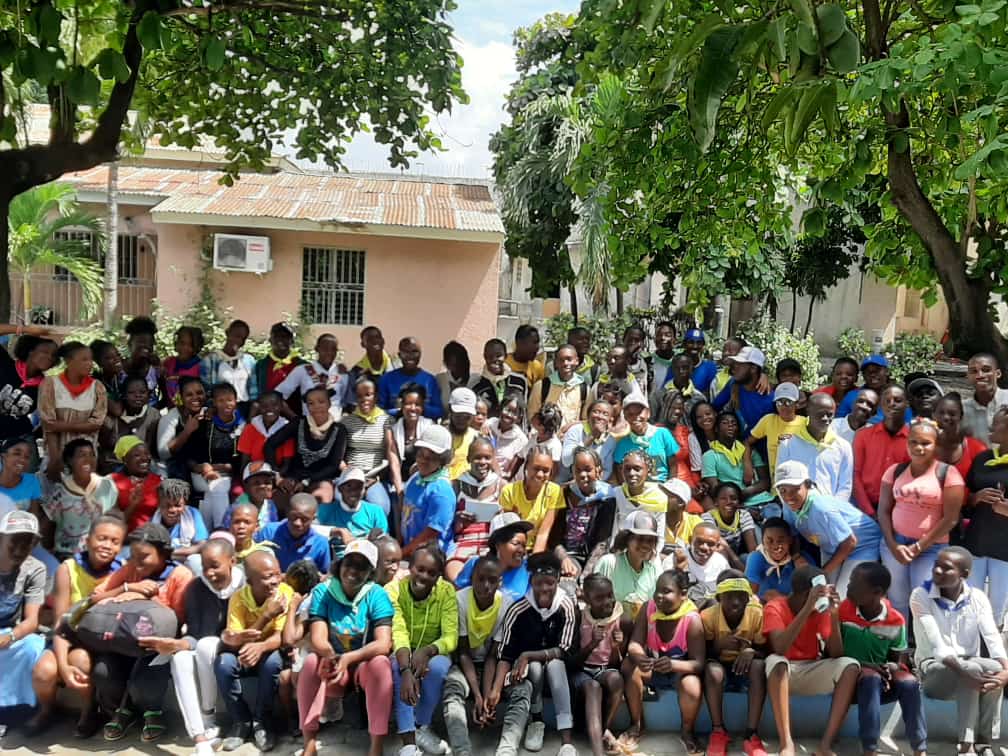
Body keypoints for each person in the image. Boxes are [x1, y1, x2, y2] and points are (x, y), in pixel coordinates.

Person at [92, 522, 195, 741]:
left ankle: (151, 711)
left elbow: (178, 621)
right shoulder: (131, 569)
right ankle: (122, 710)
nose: (137, 563)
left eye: (144, 557)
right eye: (133, 556)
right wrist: (127, 588)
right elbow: (96, 597)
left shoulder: (180, 575)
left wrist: (146, 600)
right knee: (103, 671)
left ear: (163, 553)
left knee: (146, 677)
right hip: (122, 639)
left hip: (157, 644)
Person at [27, 515, 126, 735]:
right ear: (88, 541)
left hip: (100, 641)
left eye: (114, 541)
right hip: (67, 637)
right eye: (102, 538)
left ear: (121, 547)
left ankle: (89, 710)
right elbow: (60, 622)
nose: (107, 545)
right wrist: (62, 665)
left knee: (80, 660)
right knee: (44, 671)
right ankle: (48, 709)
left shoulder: (122, 571)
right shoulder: (68, 569)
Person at [299, 538, 395, 756]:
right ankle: (309, 741)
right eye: (348, 563)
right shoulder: (323, 591)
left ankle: (376, 745)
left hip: (363, 664)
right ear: (339, 565)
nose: (353, 571)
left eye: (361, 567)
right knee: (311, 661)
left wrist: (349, 658)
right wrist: (331, 657)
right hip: (333, 662)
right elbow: (318, 636)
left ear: (370, 572)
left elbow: (383, 643)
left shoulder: (376, 594)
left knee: (381, 664)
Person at [911, 547, 1008, 754]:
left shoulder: (978, 597)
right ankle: (966, 745)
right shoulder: (920, 595)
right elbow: (937, 645)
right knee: (970, 668)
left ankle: (983, 741)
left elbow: (992, 637)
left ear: (964, 574)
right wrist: (964, 671)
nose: (937, 571)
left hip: (969, 665)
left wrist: (1006, 671)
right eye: (936, 565)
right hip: (933, 669)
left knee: (995, 668)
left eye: (946, 568)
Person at [764, 565, 860, 756]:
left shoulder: (821, 611)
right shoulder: (775, 607)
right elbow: (780, 648)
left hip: (810, 669)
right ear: (806, 594)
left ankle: (825, 745)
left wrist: (834, 615)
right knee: (777, 662)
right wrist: (807, 608)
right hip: (783, 673)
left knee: (850, 665)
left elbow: (836, 654)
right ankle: (786, 744)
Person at [491, 551, 579, 756]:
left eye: (550, 583)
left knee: (555, 664)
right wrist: (496, 689)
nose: (544, 588)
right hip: (528, 674)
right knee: (535, 667)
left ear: (558, 580)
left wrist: (529, 654)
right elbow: (505, 655)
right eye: (538, 583)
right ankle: (536, 721)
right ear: (531, 582)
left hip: (560, 672)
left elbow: (565, 649)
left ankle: (566, 741)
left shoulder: (566, 606)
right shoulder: (518, 610)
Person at [877, 418, 965, 620]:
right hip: (895, 544)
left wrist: (919, 546)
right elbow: (883, 510)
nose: (918, 447)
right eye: (913, 442)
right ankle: (901, 638)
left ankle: (923, 639)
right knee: (897, 599)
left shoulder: (948, 474)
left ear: (936, 445)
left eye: (926, 443)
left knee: (923, 600)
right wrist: (893, 545)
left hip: (931, 548)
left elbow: (950, 519)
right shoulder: (895, 471)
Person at [840, 562, 926, 756]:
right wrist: (866, 665)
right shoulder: (843, 611)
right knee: (870, 677)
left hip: (880, 683)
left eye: (855, 583)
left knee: (909, 682)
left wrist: (890, 667)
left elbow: (899, 660)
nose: (848, 586)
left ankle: (920, 748)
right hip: (847, 681)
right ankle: (870, 749)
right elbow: (832, 653)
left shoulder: (895, 620)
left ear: (877, 592)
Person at [215, 549, 291, 751]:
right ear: (250, 582)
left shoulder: (284, 593)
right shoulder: (239, 598)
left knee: (273, 662)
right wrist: (266, 616)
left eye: (277, 574)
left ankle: (262, 721)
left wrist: (261, 646)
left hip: (269, 651)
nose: (275, 581)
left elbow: (280, 637)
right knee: (223, 663)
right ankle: (240, 721)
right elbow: (236, 639)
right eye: (268, 577)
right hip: (244, 653)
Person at [621, 569, 705, 753]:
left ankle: (687, 731)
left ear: (683, 594)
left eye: (666, 591)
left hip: (680, 672)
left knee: (692, 686)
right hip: (653, 667)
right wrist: (640, 657)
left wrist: (673, 665)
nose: (659, 596)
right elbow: (634, 643)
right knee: (630, 666)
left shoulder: (692, 619)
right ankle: (636, 724)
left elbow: (698, 663)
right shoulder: (648, 608)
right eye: (657, 590)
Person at [387, 543, 458, 756]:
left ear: (438, 576)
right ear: (410, 568)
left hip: (432, 650)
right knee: (398, 669)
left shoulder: (446, 592)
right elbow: (398, 630)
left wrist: (427, 651)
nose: (424, 576)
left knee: (438, 668)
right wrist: (406, 669)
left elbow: (451, 637)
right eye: (420, 569)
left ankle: (421, 726)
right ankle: (408, 742)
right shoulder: (394, 590)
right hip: (402, 649)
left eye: (431, 573)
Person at [776, 459, 882, 596]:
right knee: (823, 593)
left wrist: (822, 572)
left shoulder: (821, 508)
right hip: (831, 547)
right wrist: (796, 556)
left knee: (841, 595)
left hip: (862, 546)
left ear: (807, 485)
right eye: (783, 490)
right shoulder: (788, 506)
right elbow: (793, 534)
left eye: (795, 489)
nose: (788, 496)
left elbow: (850, 542)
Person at [442, 555, 508, 756]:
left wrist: (487, 696)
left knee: (524, 689)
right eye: (480, 578)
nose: (486, 585)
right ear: (472, 578)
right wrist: (477, 696)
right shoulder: (460, 600)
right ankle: (462, 750)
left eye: (492, 580)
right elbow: (462, 652)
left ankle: (507, 749)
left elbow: (492, 657)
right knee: (452, 690)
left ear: (500, 582)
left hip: (491, 664)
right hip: (464, 663)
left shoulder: (506, 604)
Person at [701, 571, 769, 756]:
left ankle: (751, 734)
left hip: (745, 668)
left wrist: (751, 651)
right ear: (719, 598)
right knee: (712, 671)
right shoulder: (708, 616)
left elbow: (766, 650)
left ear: (748, 598)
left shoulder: (756, 614)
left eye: (741, 596)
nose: (736, 602)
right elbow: (701, 654)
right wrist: (718, 646)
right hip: (720, 667)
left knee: (759, 666)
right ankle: (718, 731)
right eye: (729, 596)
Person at [570, 574, 627, 756]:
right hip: (582, 671)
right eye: (599, 598)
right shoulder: (579, 618)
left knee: (616, 679)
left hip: (604, 670)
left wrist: (616, 646)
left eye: (610, 595)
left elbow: (615, 664)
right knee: (593, 687)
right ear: (587, 599)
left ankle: (603, 730)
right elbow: (572, 662)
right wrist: (592, 644)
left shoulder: (620, 619)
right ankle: (598, 752)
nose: (607, 602)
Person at [179, 382, 245, 531]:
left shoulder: (242, 424)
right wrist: (203, 468)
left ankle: (204, 532)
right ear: (214, 403)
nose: (226, 404)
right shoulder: (205, 424)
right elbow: (188, 456)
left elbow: (241, 458)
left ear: (236, 401)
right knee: (218, 487)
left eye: (230, 400)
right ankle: (222, 530)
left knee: (213, 492)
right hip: (200, 472)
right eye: (221, 400)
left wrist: (224, 467)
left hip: (229, 473)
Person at [266, 386, 348, 505]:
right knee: (279, 502)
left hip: (321, 479)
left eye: (321, 402)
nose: (316, 406)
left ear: (329, 404)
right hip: (294, 477)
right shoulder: (299, 423)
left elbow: (333, 465)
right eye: (311, 403)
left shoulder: (339, 430)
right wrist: (277, 476)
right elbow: (270, 445)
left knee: (320, 500)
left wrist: (306, 482)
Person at [0, 510, 46, 718]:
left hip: (9, 632)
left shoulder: (35, 569)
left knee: (31, 645)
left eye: (26, 543)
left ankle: (11, 708)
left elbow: (32, 621)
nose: (19, 549)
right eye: (14, 541)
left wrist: (10, 637)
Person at [964, 407, 1008, 624]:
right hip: (977, 543)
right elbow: (966, 496)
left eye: (997, 423)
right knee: (970, 603)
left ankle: (992, 644)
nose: (991, 426)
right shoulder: (982, 459)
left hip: (1005, 551)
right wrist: (976, 497)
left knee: (997, 608)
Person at [39, 341, 107, 480]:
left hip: (86, 457)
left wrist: (60, 425)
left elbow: (96, 423)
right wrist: (55, 458)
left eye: (91, 359)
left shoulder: (97, 387)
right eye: (84, 359)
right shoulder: (50, 384)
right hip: (56, 453)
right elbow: (48, 425)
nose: (90, 364)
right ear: (68, 361)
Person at [40, 438, 118, 559]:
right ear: (70, 460)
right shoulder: (60, 491)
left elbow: (115, 520)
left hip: (99, 551)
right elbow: (47, 525)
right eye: (82, 455)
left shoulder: (107, 486)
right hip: (67, 553)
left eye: (92, 455)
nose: (88, 459)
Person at [777, 393, 854, 500]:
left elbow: (845, 486)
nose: (825, 418)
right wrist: (797, 507)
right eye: (820, 414)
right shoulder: (788, 444)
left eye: (830, 414)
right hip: (795, 508)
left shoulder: (843, 447)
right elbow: (780, 481)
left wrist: (833, 508)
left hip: (830, 509)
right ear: (808, 411)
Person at [446, 437, 504, 581]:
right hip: (462, 542)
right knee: (455, 578)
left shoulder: (501, 486)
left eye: (487, 458)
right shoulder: (456, 485)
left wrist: (500, 517)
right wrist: (457, 519)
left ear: (493, 459)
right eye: (477, 457)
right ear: (468, 459)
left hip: (490, 544)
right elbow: (445, 522)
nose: (482, 462)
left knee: (488, 578)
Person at [340, 378, 401, 513]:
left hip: (373, 477)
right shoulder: (346, 422)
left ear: (376, 396)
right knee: (342, 503)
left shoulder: (386, 420)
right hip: (350, 476)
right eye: (359, 396)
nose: (364, 399)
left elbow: (391, 453)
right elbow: (339, 455)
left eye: (368, 395)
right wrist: (347, 471)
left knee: (381, 507)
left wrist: (398, 486)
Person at [0, 436, 56, 580]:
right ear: (3, 456)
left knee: (55, 571)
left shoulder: (31, 481)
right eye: (17, 453)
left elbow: (33, 516)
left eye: (27, 456)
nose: (22, 459)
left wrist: (30, 542)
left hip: (23, 541)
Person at [553, 447, 615, 573]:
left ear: (598, 471)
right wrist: (563, 558)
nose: (582, 475)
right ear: (572, 471)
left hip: (595, 558)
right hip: (568, 556)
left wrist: (586, 575)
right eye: (578, 470)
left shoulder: (607, 498)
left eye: (588, 469)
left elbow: (601, 543)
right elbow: (554, 537)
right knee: (567, 578)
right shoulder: (563, 494)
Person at [701, 410, 774, 517]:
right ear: (716, 429)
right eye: (725, 423)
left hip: (766, 500)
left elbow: (766, 481)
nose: (730, 425)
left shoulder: (748, 451)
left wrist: (745, 493)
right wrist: (739, 506)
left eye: (734, 423)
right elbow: (715, 490)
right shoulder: (710, 456)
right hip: (739, 507)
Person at [853, 383, 911, 516]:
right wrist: (870, 512)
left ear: (907, 404)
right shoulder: (863, 435)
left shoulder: (913, 440)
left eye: (897, 400)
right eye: (887, 401)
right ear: (880, 405)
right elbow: (855, 475)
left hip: (900, 510)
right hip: (864, 507)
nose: (892, 404)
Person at [399, 424, 456, 558]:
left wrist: (401, 554)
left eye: (431, 457)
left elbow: (430, 534)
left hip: (429, 555)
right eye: (421, 454)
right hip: (409, 549)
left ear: (443, 459)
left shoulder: (442, 492)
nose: (423, 460)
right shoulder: (415, 478)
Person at [595, 509, 661, 622]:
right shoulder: (609, 563)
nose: (645, 545)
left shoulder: (654, 569)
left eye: (650, 540)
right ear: (627, 539)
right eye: (640, 538)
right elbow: (595, 601)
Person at [500, 444, 565, 554]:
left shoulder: (555, 492)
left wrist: (533, 559)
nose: (540, 474)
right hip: (513, 549)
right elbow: (509, 533)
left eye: (546, 471)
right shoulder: (509, 491)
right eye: (536, 468)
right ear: (526, 466)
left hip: (538, 549)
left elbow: (543, 533)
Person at [454, 512, 533, 602]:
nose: (522, 550)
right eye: (515, 543)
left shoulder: (528, 569)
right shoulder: (475, 564)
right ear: (498, 544)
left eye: (524, 546)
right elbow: (457, 599)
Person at [318, 467, 388, 560]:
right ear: (340, 488)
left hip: (366, 559)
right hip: (336, 560)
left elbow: (383, 539)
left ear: (364, 490)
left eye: (359, 487)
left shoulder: (376, 511)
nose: (354, 491)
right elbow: (310, 529)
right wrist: (336, 531)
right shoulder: (325, 510)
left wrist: (373, 539)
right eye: (349, 486)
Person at [277, 333, 352, 419]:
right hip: (309, 423)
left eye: (333, 349)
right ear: (317, 349)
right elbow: (278, 396)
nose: (329, 352)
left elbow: (346, 402)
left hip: (335, 423)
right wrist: (295, 418)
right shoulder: (302, 370)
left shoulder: (342, 373)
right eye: (325, 348)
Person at [613, 390, 680, 485]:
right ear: (625, 416)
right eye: (630, 414)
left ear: (648, 413)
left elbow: (673, 464)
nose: (635, 417)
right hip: (636, 489)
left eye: (639, 412)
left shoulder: (663, 434)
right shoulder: (623, 443)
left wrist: (670, 486)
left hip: (662, 487)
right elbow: (619, 471)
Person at [98, 376, 161, 474]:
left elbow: (149, 448)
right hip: (115, 464)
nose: (138, 396)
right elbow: (104, 448)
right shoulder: (112, 417)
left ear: (149, 395)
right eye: (131, 393)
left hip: (141, 463)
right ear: (123, 395)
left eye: (142, 392)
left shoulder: (153, 415)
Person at [0, 333, 57, 443]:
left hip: (20, 439)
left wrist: (35, 434)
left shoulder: (45, 387)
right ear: (30, 351)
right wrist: (24, 329)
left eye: (54, 355)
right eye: (45, 352)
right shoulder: (4, 363)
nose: (50, 357)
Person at [744, 382, 806, 480]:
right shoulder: (768, 420)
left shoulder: (805, 423)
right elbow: (747, 442)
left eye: (788, 402)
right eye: (779, 402)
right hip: (777, 482)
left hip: (800, 481)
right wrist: (747, 463)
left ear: (797, 404)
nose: (783, 406)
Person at [255, 493, 331, 573]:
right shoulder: (269, 532)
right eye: (293, 516)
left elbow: (324, 574)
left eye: (304, 519)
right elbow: (254, 563)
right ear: (287, 512)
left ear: (313, 518)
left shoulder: (320, 543)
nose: (297, 523)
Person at [662, 522, 733, 605]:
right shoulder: (673, 560)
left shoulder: (721, 563)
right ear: (690, 540)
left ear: (717, 546)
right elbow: (666, 595)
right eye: (699, 541)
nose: (704, 547)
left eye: (710, 544)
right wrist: (678, 572)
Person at [157, 374, 209, 480]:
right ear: (181, 397)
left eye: (199, 393)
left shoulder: (209, 412)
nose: (195, 397)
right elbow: (163, 453)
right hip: (178, 470)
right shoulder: (171, 418)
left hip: (205, 467)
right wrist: (186, 432)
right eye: (189, 395)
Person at [712, 346, 775, 434]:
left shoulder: (770, 400)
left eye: (739, 364)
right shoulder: (733, 384)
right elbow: (714, 408)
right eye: (735, 363)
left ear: (753, 369)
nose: (733, 368)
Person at [378, 337, 443, 419]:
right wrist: (399, 411)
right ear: (399, 355)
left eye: (414, 352)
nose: (410, 356)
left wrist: (420, 407)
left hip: (424, 425)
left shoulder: (430, 380)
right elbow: (379, 411)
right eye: (406, 352)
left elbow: (439, 411)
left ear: (420, 354)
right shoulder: (386, 379)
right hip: (394, 425)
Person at [152, 478, 209, 572]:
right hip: (161, 562)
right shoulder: (154, 519)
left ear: (185, 504)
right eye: (167, 505)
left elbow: (202, 545)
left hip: (185, 561)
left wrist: (172, 552)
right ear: (158, 503)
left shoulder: (192, 514)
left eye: (177, 505)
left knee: (196, 561)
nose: (172, 510)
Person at [528, 345, 588, 431]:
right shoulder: (542, 386)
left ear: (576, 361)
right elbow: (532, 416)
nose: (565, 363)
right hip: (546, 436)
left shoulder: (584, 389)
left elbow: (586, 420)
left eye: (569, 359)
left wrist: (569, 429)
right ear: (555, 363)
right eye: (561, 360)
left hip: (572, 437)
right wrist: (546, 433)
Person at [109, 435, 162, 531]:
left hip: (153, 536)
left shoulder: (159, 482)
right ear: (125, 460)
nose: (144, 458)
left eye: (147, 453)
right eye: (137, 455)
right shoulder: (112, 482)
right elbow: (111, 524)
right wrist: (133, 505)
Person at [745, 517, 806, 601]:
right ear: (762, 542)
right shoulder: (756, 558)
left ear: (790, 540)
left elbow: (810, 596)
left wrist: (781, 600)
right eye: (770, 541)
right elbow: (749, 596)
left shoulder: (800, 561)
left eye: (781, 540)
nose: (775, 546)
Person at [200, 319, 259, 405]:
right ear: (227, 333)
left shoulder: (248, 360)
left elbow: (254, 390)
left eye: (243, 338)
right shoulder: (210, 360)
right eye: (236, 336)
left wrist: (253, 408)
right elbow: (207, 390)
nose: (239, 341)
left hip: (245, 406)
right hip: (222, 408)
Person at [935, 392, 988, 483]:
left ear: (961, 416)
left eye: (952, 414)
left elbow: (983, 481)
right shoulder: (923, 444)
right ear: (934, 415)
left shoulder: (976, 448)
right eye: (941, 413)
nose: (946, 417)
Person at [701, 482, 758, 560]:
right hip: (718, 558)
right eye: (723, 498)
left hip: (738, 556)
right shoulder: (708, 517)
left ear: (739, 502)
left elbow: (752, 549)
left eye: (733, 498)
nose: (728, 502)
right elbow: (718, 548)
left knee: (746, 557)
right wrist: (739, 565)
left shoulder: (743, 515)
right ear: (716, 502)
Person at [390, 383, 434, 484]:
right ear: (402, 405)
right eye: (408, 404)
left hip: (424, 481)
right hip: (397, 481)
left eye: (417, 404)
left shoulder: (430, 427)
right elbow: (394, 463)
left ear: (422, 406)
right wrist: (399, 488)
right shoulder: (393, 429)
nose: (413, 408)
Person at [236, 390, 292, 468]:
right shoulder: (250, 428)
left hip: (277, 470)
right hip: (254, 469)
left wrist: (278, 473)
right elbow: (245, 460)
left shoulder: (287, 429)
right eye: (264, 405)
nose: (269, 409)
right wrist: (246, 473)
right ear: (259, 407)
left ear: (281, 406)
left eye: (274, 404)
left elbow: (286, 464)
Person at [962, 353, 1008, 445]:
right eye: (974, 371)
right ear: (968, 376)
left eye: (986, 370)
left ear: (998, 373)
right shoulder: (962, 409)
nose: (980, 375)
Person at [476, 338, 529, 415]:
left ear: (505, 356)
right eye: (490, 356)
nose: (494, 359)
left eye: (498, 355)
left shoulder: (519, 382)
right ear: (485, 357)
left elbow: (523, 413)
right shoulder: (479, 386)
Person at [485, 393, 529, 480]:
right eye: (507, 410)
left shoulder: (521, 440)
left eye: (514, 413)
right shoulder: (488, 424)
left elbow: (515, 471)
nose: (509, 415)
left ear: (519, 417)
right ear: (501, 408)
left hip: (500, 480)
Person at [225, 461, 280, 530]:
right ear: (246, 486)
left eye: (267, 482)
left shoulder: (270, 505)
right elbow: (227, 532)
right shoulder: (237, 508)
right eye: (256, 483)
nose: (262, 486)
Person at [253, 322, 303, 397]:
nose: (280, 340)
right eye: (276, 336)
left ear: (292, 341)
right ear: (270, 340)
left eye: (285, 336)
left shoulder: (302, 365)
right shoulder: (260, 365)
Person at [836, 354, 894, 419]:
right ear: (863, 375)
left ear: (887, 371)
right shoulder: (852, 396)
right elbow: (838, 422)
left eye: (877, 370)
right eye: (868, 371)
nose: (872, 375)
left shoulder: (897, 397)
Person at [123, 315, 163, 405]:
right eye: (140, 344)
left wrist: (151, 410)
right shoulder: (119, 369)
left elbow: (166, 399)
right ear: (130, 344)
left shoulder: (156, 370)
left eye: (149, 344)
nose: (144, 348)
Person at [162, 326, 206, 407]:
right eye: (181, 343)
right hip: (172, 410)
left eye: (190, 345)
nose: (184, 348)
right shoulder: (168, 363)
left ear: (197, 347)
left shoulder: (202, 367)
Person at [435, 340, 483, 413]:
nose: (461, 368)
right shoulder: (439, 380)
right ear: (446, 364)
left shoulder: (477, 381)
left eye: (464, 363)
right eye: (455, 365)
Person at [446, 387, 480, 480]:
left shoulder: (475, 438)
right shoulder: (440, 436)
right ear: (450, 410)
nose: (462, 421)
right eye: (458, 416)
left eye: (467, 417)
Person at [505, 324, 545, 390]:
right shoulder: (504, 363)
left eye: (538, 343)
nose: (537, 347)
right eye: (534, 342)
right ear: (520, 343)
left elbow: (539, 393)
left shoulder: (537, 367)